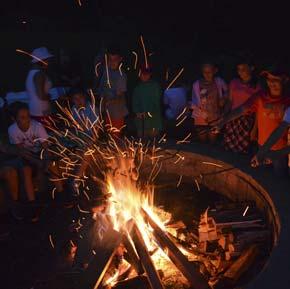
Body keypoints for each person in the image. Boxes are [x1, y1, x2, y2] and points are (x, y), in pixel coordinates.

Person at [216, 68, 290, 176]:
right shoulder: (260, 96)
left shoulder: (287, 101)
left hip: (281, 148)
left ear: (284, 80)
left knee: (280, 178)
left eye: (275, 79)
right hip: (262, 144)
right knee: (264, 177)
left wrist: (273, 154)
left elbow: (280, 129)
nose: (271, 83)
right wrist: (222, 122)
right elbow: (241, 109)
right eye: (269, 78)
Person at [8, 103, 65, 219]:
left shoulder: (37, 126)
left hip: (41, 152)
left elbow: (46, 146)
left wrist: (46, 160)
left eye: (28, 116)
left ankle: (61, 194)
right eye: (22, 117)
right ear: (14, 119)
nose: (27, 119)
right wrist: (37, 163)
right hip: (28, 155)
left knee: (52, 165)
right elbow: (22, 151)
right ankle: (33, 204)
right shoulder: (12, 130)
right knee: (26, 171)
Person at [223, 58, 261, 153]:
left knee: (243, 149)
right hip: (232, 119)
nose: (240, 72)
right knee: (229, 146)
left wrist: (254, 129)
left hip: (246, 121)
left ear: (251, 68)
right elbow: (229, 101)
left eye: (243, 69)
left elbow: (258, 110)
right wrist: (224, 117)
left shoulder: (257, 86)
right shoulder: (234, 82)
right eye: (238, 69)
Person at [191, 61, 228, 143]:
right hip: (200, 118)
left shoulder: (219, 82)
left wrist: (224, 98)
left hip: (216, 117)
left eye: (209, 72)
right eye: (204, 72)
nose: (207, 74)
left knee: (213, 141)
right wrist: (192, 106)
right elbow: (194, 101)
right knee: (202, 142)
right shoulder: (196, 84)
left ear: (215, 71)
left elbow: (228, 92)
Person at [98, 45, 128, 137]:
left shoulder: (121, 75)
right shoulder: (106, 72)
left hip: (117, 113)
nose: (112, 62)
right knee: (108, 136)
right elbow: (102, 89)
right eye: (110, 59)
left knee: (115, 138)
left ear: (120, 59)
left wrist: (110, 101)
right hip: (106, 112)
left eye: (115, 59)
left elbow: (121, 96)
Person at [132, 64, 163, 139]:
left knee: (153, 142)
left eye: (146, 74)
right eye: (142, 74)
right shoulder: (137, 88)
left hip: (153, 119)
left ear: (150, 74)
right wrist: (137, 112)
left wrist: (148, 112)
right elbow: (135, 102)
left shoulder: (155, 86)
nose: (144, 76)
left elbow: (156, 102)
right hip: (141, 120)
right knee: (142, 141)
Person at [26, 47, 54, 125]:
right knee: (46, 133)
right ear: (41, 60)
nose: (48, 62)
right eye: (47, 60)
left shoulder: (31, 73)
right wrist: (50, 96)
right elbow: (41, 95)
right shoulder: (39, 74)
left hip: (34, 108)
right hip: (42, 110)